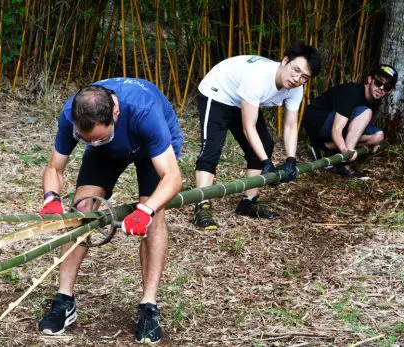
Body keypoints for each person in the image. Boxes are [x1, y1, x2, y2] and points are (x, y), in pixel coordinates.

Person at [37, 77, 183, 345]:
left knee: (154, 215)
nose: (93, 143)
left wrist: (145, 210)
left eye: (99, 137)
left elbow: (173, 177)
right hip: (109, 150)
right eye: (86, 139)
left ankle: (148, 305)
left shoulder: (143, 111)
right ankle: (64, 298)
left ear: (115, 113)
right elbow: (54, 167)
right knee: (81, 210)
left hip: (151, 149)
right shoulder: (73, 115)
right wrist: (51, 197)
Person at [192, 43, 322, 229]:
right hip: (218, 92)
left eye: (304, 77)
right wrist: (266, 163)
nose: (297, 78)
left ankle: (248, 202)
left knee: (264, 145)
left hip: (243, 99)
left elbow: (291, 125)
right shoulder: (259, 77)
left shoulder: (296, 88)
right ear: (285, 60)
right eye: (295, 70)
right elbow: (248, 127)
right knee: (212, 148)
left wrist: (291, 159)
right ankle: (201, 206)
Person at [303, 64, 397, 180]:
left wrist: (371, 142)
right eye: (378, 82)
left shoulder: (376, 100)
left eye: (387, 87)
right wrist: (346, 151)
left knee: (377, 136)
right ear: (369, 79)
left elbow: (357, 128)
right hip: (318, 121)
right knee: (366, 112)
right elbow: (336, 130)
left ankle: (324, 147)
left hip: (337, 125)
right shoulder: (352, 92)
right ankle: (344, 164)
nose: (381, 88)